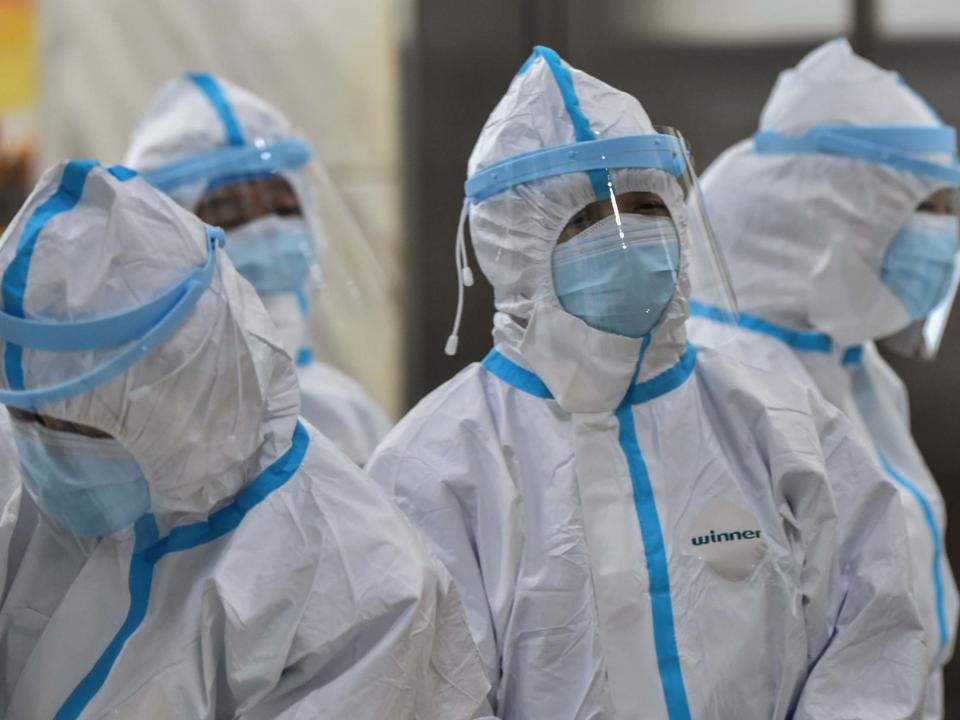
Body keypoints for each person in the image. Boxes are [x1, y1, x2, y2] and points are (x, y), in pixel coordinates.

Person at [366, 45, 929, 720]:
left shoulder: (775, 416)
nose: (628, 238)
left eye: (643, 208)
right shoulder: (434, 467)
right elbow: (426, 692)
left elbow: (876, 626)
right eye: (587, 221)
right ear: (515, 245)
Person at [0, 160, 489, 719]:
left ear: (177, 385)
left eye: (84, 426)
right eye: (30, 420)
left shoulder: (360, 580)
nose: (52, 452)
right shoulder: (31, 502)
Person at [686, 39, 959, 718]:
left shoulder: (852, 368)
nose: (945, 231)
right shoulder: (722, 387)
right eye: (925, 208)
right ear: (833, 213)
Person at [124, 73, 391, 465]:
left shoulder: (350, 418)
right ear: (160, 242)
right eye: (230, 214)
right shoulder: (128, 426)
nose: (269, 235)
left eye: (284, 210)